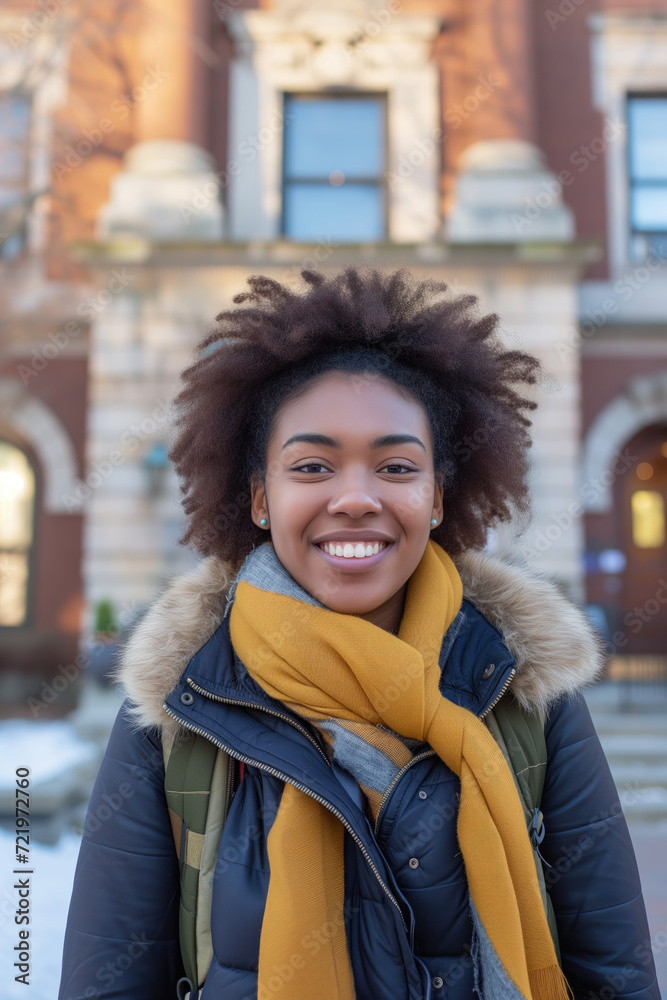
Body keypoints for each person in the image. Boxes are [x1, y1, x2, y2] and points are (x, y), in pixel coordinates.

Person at [58, 267, 659, 1000]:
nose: (353, 498)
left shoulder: (523, 692)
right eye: (311, 465)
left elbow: (615, 972)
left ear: (436, 496)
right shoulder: (178, 707)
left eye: (395, 466)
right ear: (258, 497)